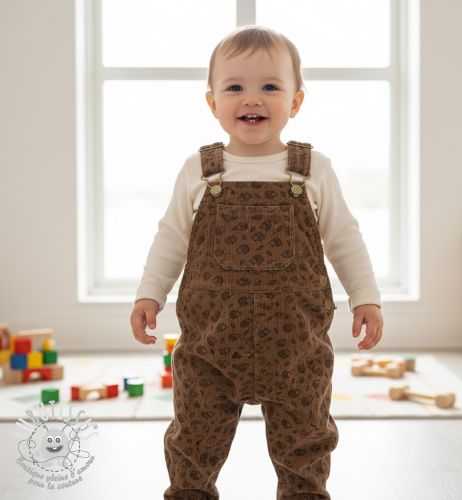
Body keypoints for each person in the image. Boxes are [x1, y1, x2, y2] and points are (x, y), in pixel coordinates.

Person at [130, 24, 383, 500]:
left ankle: (303, 493)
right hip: (210, 346)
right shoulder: (199, 170)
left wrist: (365, 297)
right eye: (235, 88)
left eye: (270, 86)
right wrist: (150, 293)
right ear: (212, 103)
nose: (252, 99)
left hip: (296, 348)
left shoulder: (312, 169)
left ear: (295, 101)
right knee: (193, 439)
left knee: (306, 438)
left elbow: (344, 238)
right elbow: (171, 238)